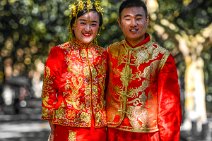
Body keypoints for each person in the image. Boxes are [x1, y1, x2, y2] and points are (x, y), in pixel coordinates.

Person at [106, 0, 182, 140]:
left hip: (147, 135)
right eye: (127, 18)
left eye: (138, 18)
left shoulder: (161, 57)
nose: (133, 24)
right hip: (112, 133)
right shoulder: (110, 52)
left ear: (147, 21)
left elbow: (169, 107)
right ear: (119, 22)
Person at [41, 0, 107, 141]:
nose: (88, 28)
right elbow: (49, 90)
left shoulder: (104, 55)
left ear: (99, 28)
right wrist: (53, 127)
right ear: (73, 25)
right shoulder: (59, 52)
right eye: (83, 22)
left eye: (93, 24)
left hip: (99, 130)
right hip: (67, 128)